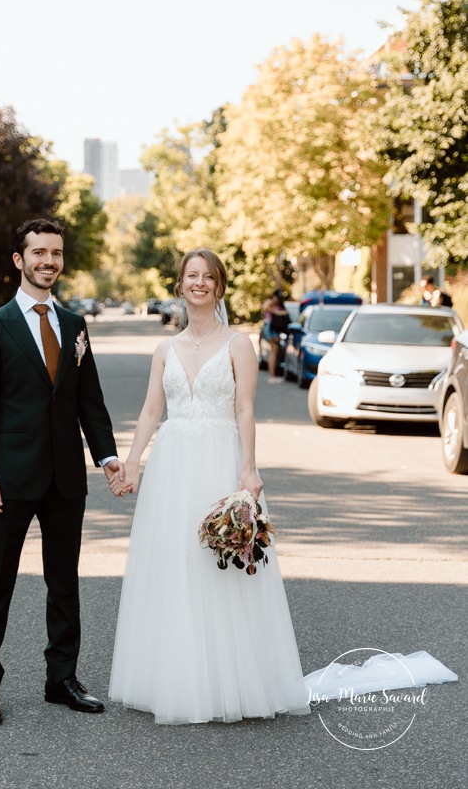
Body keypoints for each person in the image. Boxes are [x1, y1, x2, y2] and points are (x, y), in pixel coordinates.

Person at [108, 248, 310, 724]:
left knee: (222, 565)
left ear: (219, 287)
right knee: (176, 563)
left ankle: (233, 681)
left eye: (208, 277)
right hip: (173, 464)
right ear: (180, 285)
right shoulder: (164, 349)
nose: (198, 283)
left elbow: (244, 409)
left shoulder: (239, 344)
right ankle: (178, 678)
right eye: (191, 276)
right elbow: (152, 411)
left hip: (220, 459)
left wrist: (249, 469)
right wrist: (133, 463)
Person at [0, 218, 125, 726]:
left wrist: (107, 457)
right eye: (38, 253)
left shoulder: (75, 325)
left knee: (64, 582)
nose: (48, 262)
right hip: (9, 479)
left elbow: (89, 401)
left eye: (55, 253)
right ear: (20, 260)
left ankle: (62, 679)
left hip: (64, 479)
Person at [261, 289, 290, 384]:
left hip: (274, 328)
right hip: (270, 327)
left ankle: (273, 375)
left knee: (275, 350)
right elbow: (265, 307)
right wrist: (278, 312)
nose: (277, 300)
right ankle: (272, 376)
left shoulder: (278, 305)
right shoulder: (269, 303)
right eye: (277, 298)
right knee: (274, 350)